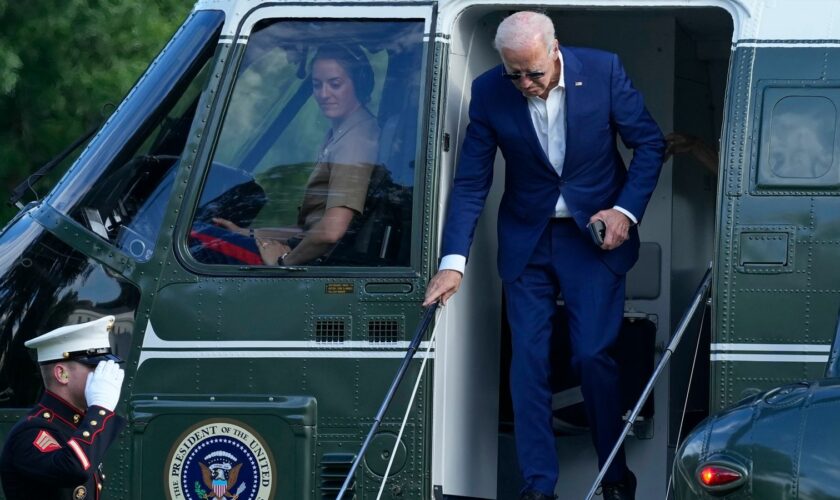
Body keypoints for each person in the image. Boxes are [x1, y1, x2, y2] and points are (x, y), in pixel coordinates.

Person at [422, 11, 664, 500]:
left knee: (593, 356)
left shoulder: (603, 70)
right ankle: (539, 488)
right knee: (527, 363)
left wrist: (624, 211)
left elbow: (650, 144)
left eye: (535, 72)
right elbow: (472, 182)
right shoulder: (491, 91)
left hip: (593, 238)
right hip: (527, 240)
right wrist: (452, 263)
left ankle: (615, 480)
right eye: (516, 74)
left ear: (555, 50)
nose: (527, 83)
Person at [212, 43, 380, 266]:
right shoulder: (340, 132)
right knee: (212, 234)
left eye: (335, 84)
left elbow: (331, 231)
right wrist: (247, 233)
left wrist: (283, 263)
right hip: (305, 251)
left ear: (358, 84)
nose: (324, 94)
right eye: (317, 85)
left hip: (314, 263)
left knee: (200, 242)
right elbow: (308, 229)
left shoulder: (354, 141)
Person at [0, 315, 126, 499]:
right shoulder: (31, 432)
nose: (103, 375)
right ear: (62, 374)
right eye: (95, 367)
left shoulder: (74, 425)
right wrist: (100, 407)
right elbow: (73, 468)